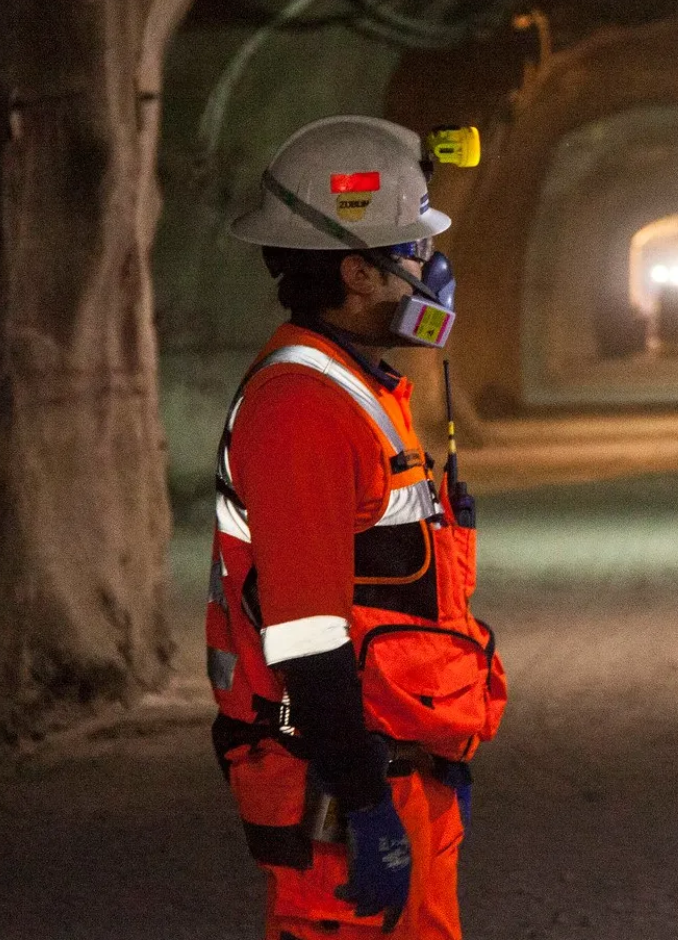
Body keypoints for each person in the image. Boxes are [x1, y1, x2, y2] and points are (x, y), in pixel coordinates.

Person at [205, 115, 506, 940]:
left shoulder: (357, 388)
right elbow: (306, 636)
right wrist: (365, 799)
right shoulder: (302, 407)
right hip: (340, 778)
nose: (429, 271)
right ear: (355, 271)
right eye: (410, 252)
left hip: (401, 760)